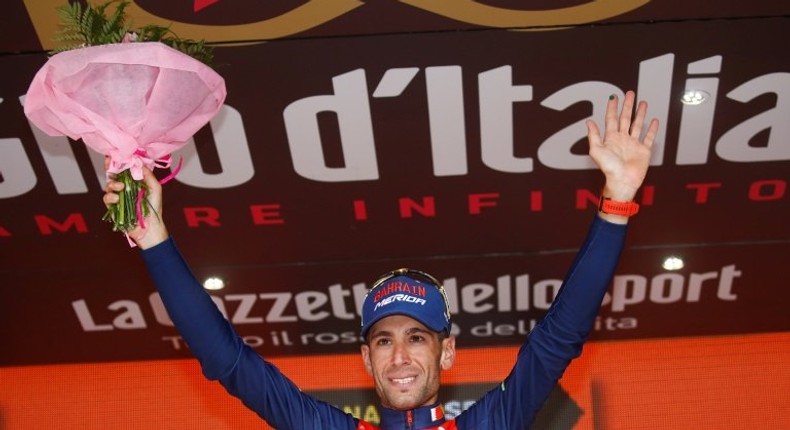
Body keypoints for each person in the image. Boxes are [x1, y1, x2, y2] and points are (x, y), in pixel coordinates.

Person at [104, 90, 659, 429]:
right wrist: (154, 239)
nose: (399, 356)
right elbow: (226, 361)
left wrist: (616, 204)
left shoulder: (493, 423)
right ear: (366, 360)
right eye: (384, 340)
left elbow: (558, 337)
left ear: (447, 352)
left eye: (417, 337)